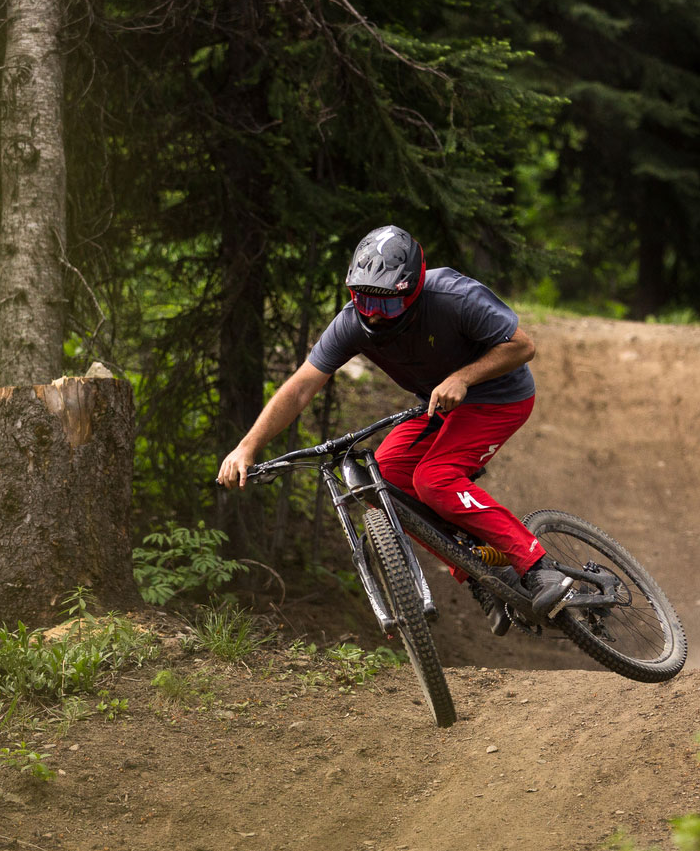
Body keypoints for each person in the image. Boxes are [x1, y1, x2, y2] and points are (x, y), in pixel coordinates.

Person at [216, 224, 574, 627]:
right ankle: (481, 575)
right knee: (381, 481)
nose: (372, 313)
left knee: (434, 478)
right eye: (363, 299)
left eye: (386, 304)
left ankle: (537, 566)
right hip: (438, 406)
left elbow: (523, 346)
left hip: (499, 397)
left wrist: (463, 377)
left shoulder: (453, 297)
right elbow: (300, 388)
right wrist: (247, 447)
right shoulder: (352, 323)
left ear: (413, 290)